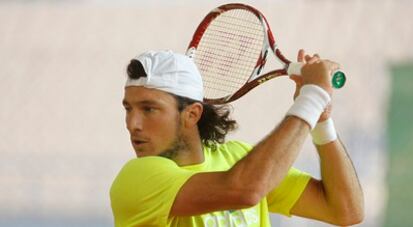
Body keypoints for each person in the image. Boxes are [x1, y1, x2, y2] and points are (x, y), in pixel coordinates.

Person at [110, 50, 364, 226]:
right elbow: (246, 190)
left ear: (192, 114)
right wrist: (312, 98)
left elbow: (345, 210)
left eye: (148, 109)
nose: (133, 124)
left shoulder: (239, 160)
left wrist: (321, 120)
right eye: (128, 109)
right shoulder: (137, 178)